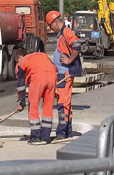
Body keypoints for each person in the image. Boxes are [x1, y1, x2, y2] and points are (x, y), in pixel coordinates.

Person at [46, 11, 82, 141]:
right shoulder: (61, 34)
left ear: (56, 22)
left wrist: (69, 60)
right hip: (62, 74)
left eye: (51, 25)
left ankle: (62, 132)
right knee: (65, 103)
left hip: (64, 74)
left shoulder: (66, 32)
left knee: (63, 103)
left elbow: (77, 45)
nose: (50, 28)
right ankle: (67, 131)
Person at [15, 49, 57, 145]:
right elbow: (54, 67)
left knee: (33, 107)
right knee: (48, 107)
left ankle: (35, 137)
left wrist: (21, 101)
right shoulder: (41, 55)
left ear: (20, 57)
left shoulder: (22, 62)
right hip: (52, 76)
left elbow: (21, 85)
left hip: (38, 78)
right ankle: (45, 137)